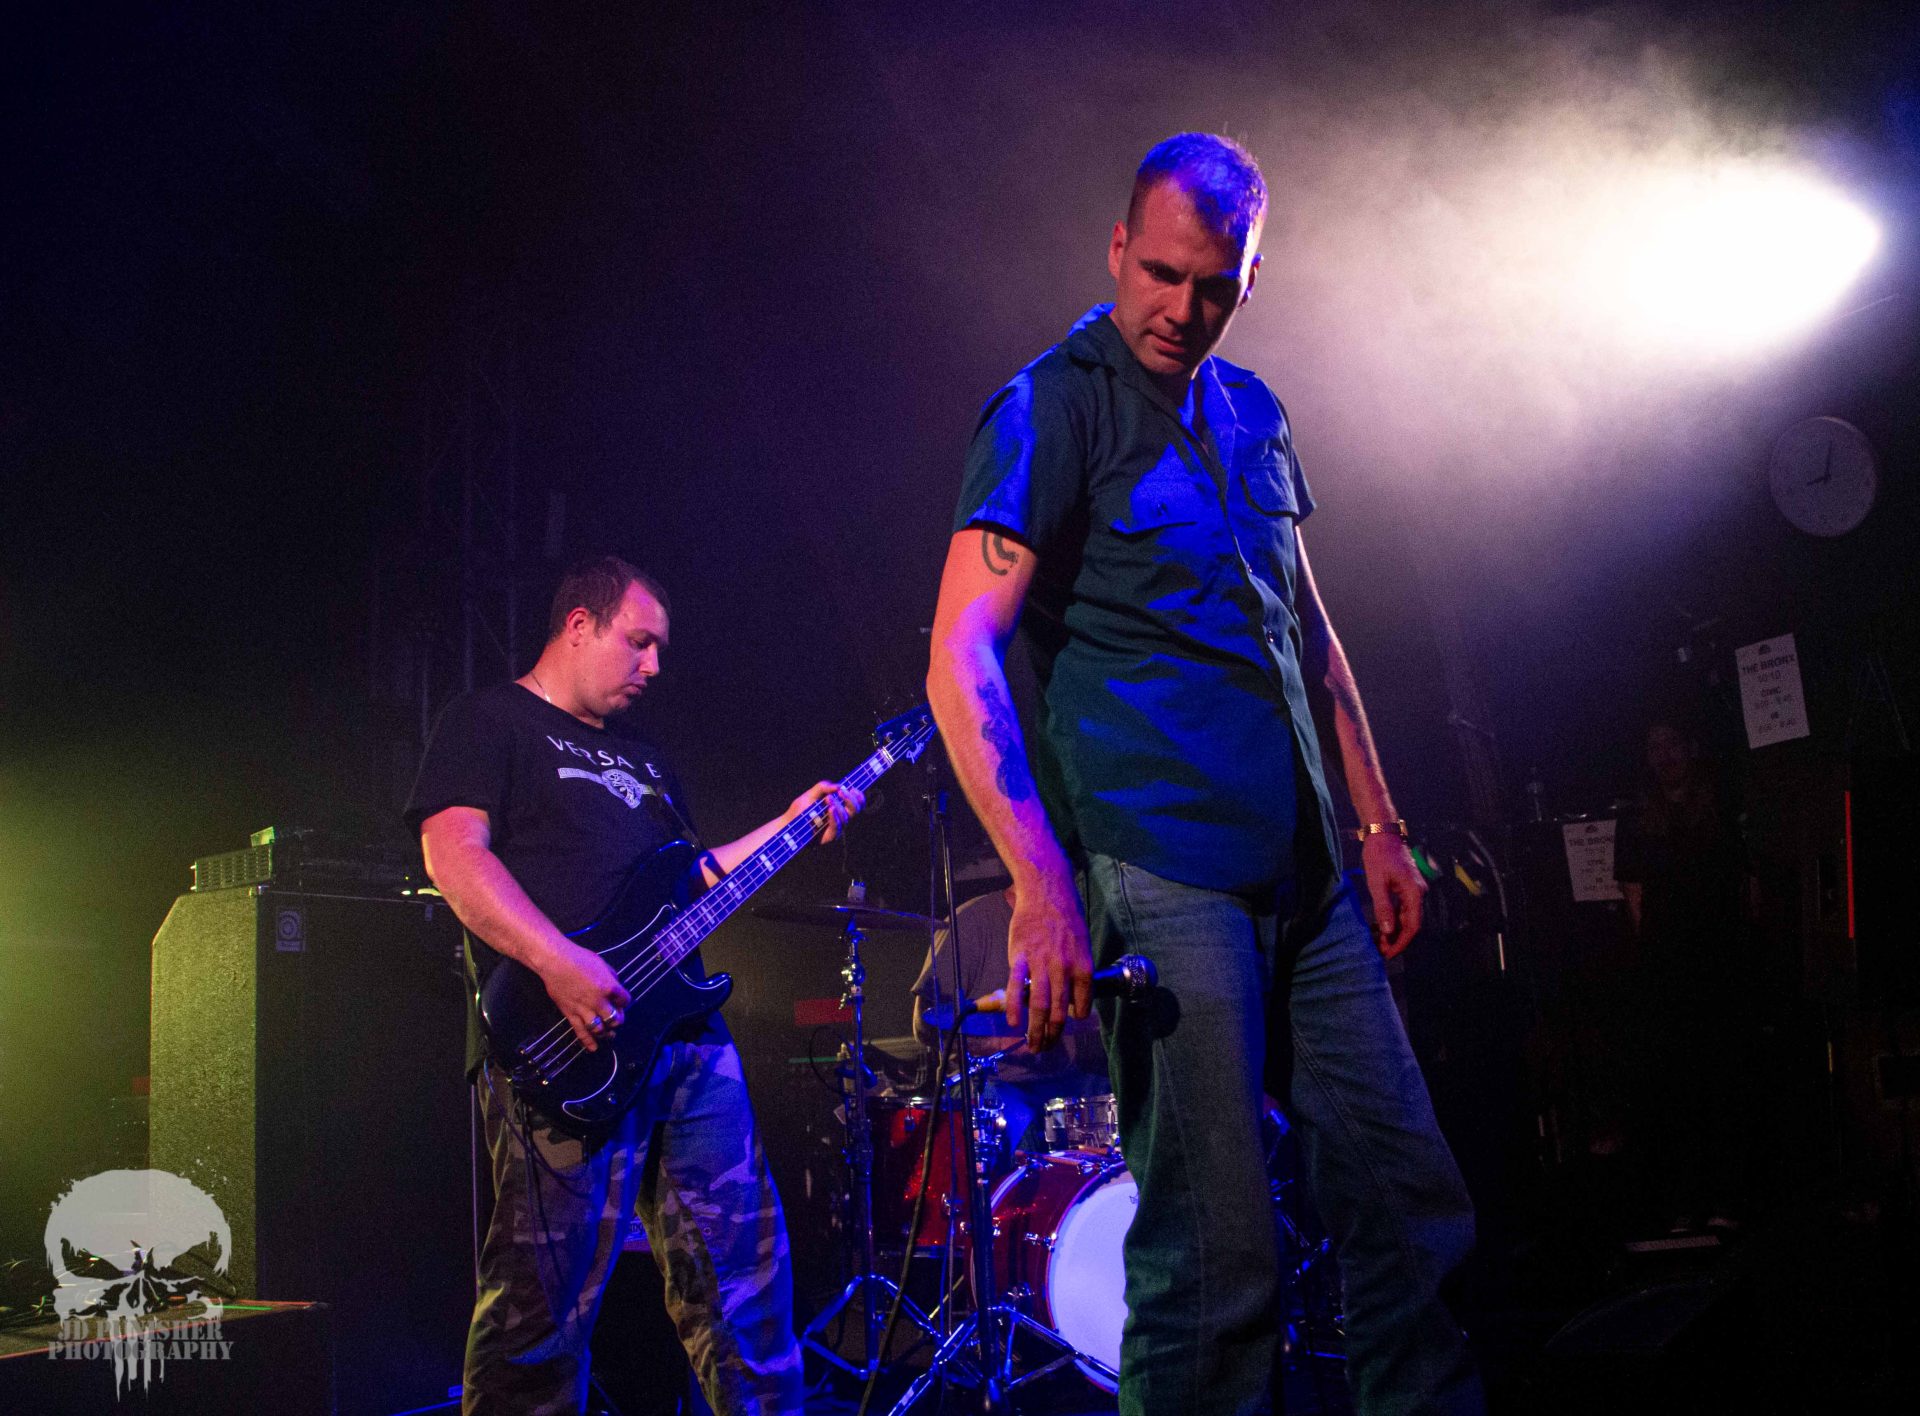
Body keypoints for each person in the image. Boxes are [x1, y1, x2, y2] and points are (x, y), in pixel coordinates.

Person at [924, 134, 1481, 1415]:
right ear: (1118, 249)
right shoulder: (1048, 408)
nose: (1182, 308)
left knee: (1413, 1210)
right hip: (1160, 865)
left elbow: (1307, 627)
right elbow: (960, 652)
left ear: (1250, 280)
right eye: (1161, 275)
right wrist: (1039, 886)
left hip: (1309, 875)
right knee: (1218, 1261)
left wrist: (1379, 822)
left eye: (1214, 286)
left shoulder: (1254, 412)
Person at [407, 555, 863, 1416]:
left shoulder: (645, 761)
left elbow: (693, 877)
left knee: (747, 1291)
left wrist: (792, 824)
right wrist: (558, 962)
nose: (654, 666)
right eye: (640, 642)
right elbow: (452, 854)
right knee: (541, 1315)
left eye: (660, 650)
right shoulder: (488, 720)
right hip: (561, 1043)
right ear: (580, 625)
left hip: (687, 1042)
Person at [1613, 717, 1760, 1231]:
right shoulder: (1636, 819)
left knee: (1724, 1080)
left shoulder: (1720, 808)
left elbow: (1748, 882)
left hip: (1721, 962)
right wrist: (1657, 960)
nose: (1665, 755)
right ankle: (1683, 1202)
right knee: (1675, 1087)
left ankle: (1727, 1199)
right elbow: (1634, 897)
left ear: (1691, 746)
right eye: (1655, 747)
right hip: (1668, 970)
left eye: (1672, 743)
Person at [911, 882, 1112, 1152]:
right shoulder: (971, 922)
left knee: (1122, 1105)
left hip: (1067, 1080)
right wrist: (1001, 1045)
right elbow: (924, 1024)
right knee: (1012, 1120)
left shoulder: (1078, 925)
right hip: (991, 1082)